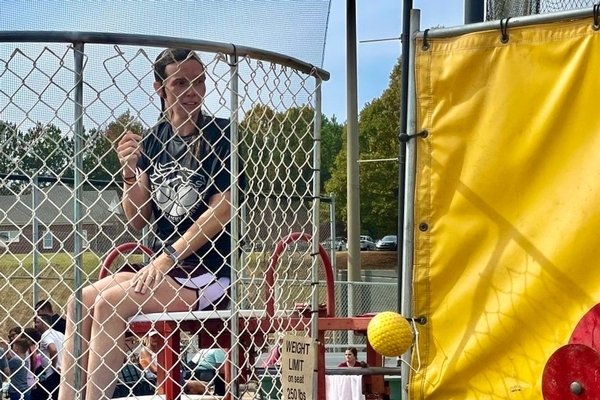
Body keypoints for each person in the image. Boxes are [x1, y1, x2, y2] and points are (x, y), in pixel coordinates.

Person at [58, 48, 240, 400]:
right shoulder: (153, 140)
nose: (193, 90)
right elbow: (137, 216)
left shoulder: (221, 134)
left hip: (206, 270)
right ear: (160, 87)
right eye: (181, 82)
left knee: (111, 303)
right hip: (161, 268)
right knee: (78, 301)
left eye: (199, 81)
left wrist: (166, 257)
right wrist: (128, 174)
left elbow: (222, 211)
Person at [34, 315, 64, 400]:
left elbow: (53, 349)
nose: (35, 325)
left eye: (37, 322)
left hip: (52, 373)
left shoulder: (45, 335)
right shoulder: (60, 334)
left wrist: (53, 365)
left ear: (44, 323)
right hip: (62, 371)